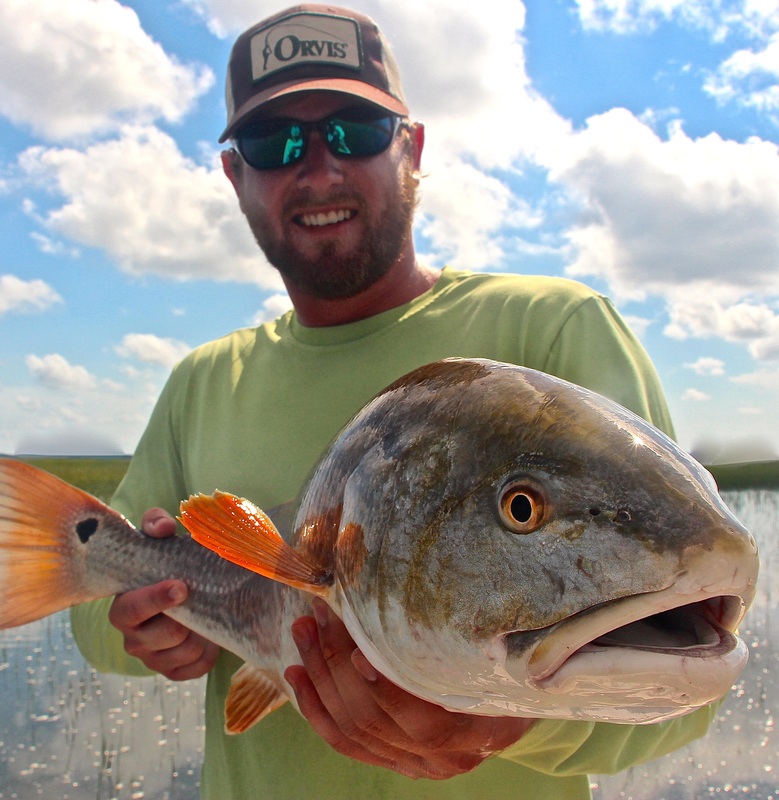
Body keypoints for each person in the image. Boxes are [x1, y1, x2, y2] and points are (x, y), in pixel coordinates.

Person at [71, 5, 720, 798]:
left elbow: (690, 676)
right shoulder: (202, 381)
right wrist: (143, 627)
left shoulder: (551, 330)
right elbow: (84, 609)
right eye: (275, 143)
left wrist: (509, 721)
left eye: (355, 131)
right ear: (235, 175)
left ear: (411, 149)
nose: (318, 169)